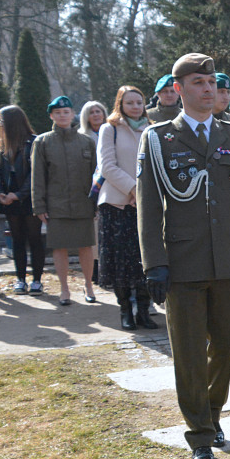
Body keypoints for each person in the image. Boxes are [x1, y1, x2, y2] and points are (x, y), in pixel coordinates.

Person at [137, 53, 230, 459]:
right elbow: (148, 206)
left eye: (211, 81)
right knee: (191, 353)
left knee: (228, 346)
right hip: (183, 263)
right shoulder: (158, 139)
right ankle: (199, 434)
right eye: (197, 82)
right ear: (178, 90)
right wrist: (154, 263)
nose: (208, 88)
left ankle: (211, 412)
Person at [96, 85, 156, 330]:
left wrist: (143, 194)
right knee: (120, 262)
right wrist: (133, 189)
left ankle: (144, 311)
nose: (135, 107)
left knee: (146, 260)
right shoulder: (109, 129)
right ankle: (125, 311)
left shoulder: (151, 129)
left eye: (139, 103)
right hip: (117, 204)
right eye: (130, 102)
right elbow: (107, 166)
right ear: (120, 104)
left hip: (146, 204)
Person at [31, 96, 98, 306]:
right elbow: (38, 176)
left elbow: (95, 175)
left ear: (72, 114)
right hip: (56, 204)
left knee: (86, 246)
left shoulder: (86, 141)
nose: (62, 116)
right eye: (58, 113)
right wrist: (39, 205)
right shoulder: (42, 142)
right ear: (51, 115)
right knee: (59, 247)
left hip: (83, 202)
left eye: (66, 112)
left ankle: (88, 285)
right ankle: (64, 289)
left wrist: (96, 202)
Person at [0, 106, 42, 294]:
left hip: (29, 198)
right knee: (17, 239)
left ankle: (37, 280)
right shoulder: (1, 145)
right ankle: (20, 279)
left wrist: (19, 195)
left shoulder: (33, 143)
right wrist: (0, 193)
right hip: (9, 199)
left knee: (34, 238)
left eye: (1, 120)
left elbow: (35, 173)